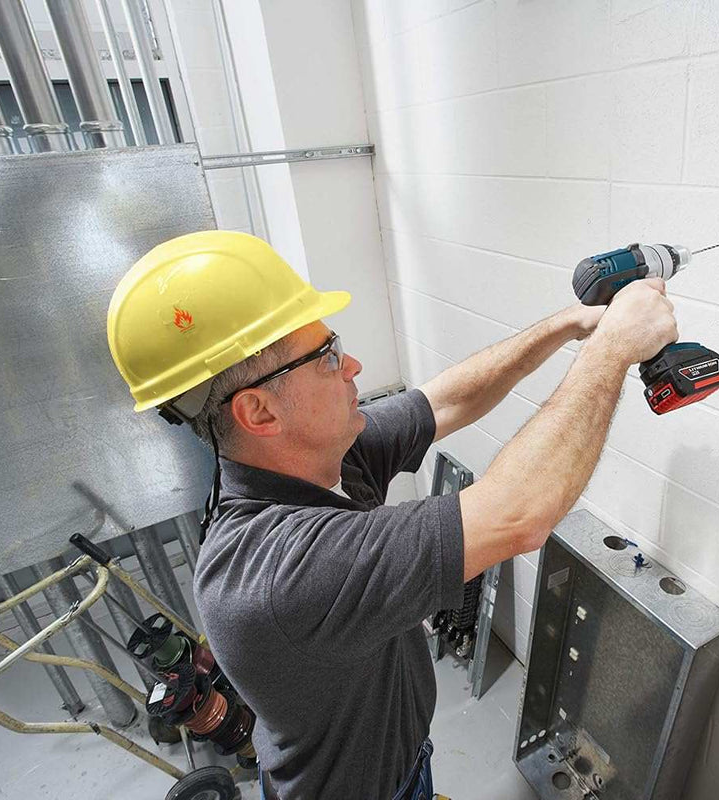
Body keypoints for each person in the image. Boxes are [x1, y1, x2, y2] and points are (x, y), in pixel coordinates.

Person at [107, 231, 678, 800]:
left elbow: (445, 400)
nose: (353, 364)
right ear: (258, 411)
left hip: (404, 763)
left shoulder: (315, 459)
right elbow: (518, 513)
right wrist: (614, 349)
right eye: (327, 357)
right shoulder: (280, 572)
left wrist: (570, 324)